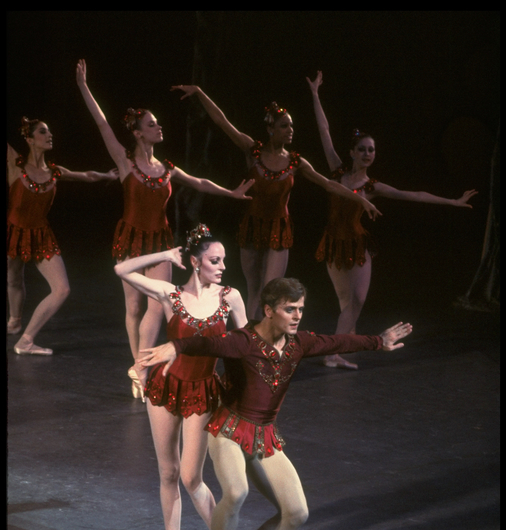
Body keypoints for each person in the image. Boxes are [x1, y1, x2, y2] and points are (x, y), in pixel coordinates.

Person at [139, 277, 412, 530]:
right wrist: (177, 346)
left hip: (263, 434)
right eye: (289, 309)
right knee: (237, 492)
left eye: (300, 309)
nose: (297, 316)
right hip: (228, 429)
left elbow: (337, 342)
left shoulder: (300, 344)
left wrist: (378, 341)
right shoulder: (244, 341)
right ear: (268, 311)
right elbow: (210, 345)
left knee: (296, 513)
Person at [76, 60, 254, 398]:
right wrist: (84, 86)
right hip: (130, 239)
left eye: (158, 123)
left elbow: (198, 181)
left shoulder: (166, 167)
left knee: (158, 304)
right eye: (151, 124)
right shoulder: (125, 162)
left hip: (159, 242)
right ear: (138, 132)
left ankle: (142, 369)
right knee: (133, 308)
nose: (159, 128)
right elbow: (101, 124)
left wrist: (230, 193)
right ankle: (137, 366)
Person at [306, 70, 477, 369]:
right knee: (346, 304)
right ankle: (341, 348)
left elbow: (415, 195)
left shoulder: (373, 187)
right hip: (334, 245)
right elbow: (324, 131)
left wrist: (453, 201)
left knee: (355, 303)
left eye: (372, 150)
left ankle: (333, 352)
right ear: (351, 153)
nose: (368, 153)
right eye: (362, 149)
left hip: (358, 246)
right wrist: (315, 94)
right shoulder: (336, 172)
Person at [172, 84, 382, 320]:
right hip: (252, 226)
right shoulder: (253, 151)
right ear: (271, 129)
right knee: (253, 288)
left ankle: (262, 342)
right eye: (285, 126)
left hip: (279, 229)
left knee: (269, 290)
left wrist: (360, 200)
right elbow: (223, 123)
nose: (291, 130)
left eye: (291, 125)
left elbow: (328, 184)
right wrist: (200, 92)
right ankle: (249, 339)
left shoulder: (296, 162)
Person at [114, 224, 248, 530]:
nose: (221, 267)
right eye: (214, 260)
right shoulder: (169, 294)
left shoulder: (229, 296)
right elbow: (121, 269)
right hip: (164, 388)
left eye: (223, 261)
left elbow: (245, 344)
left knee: (192, 477)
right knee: (168, 472)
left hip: (202, 391)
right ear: (194, 262)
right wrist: (164, 255)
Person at [7, 118, 118, 355]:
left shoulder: (55, 172)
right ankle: (14, 319)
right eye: (43, 132)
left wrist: (107, 175)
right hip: (13, 232)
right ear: (29, 139)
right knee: (14, 278)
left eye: (50, 132)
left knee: (62, 289)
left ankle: (25, 341)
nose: (49, 136)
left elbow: (86, 175)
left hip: (41, 234)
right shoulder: (15, 164)